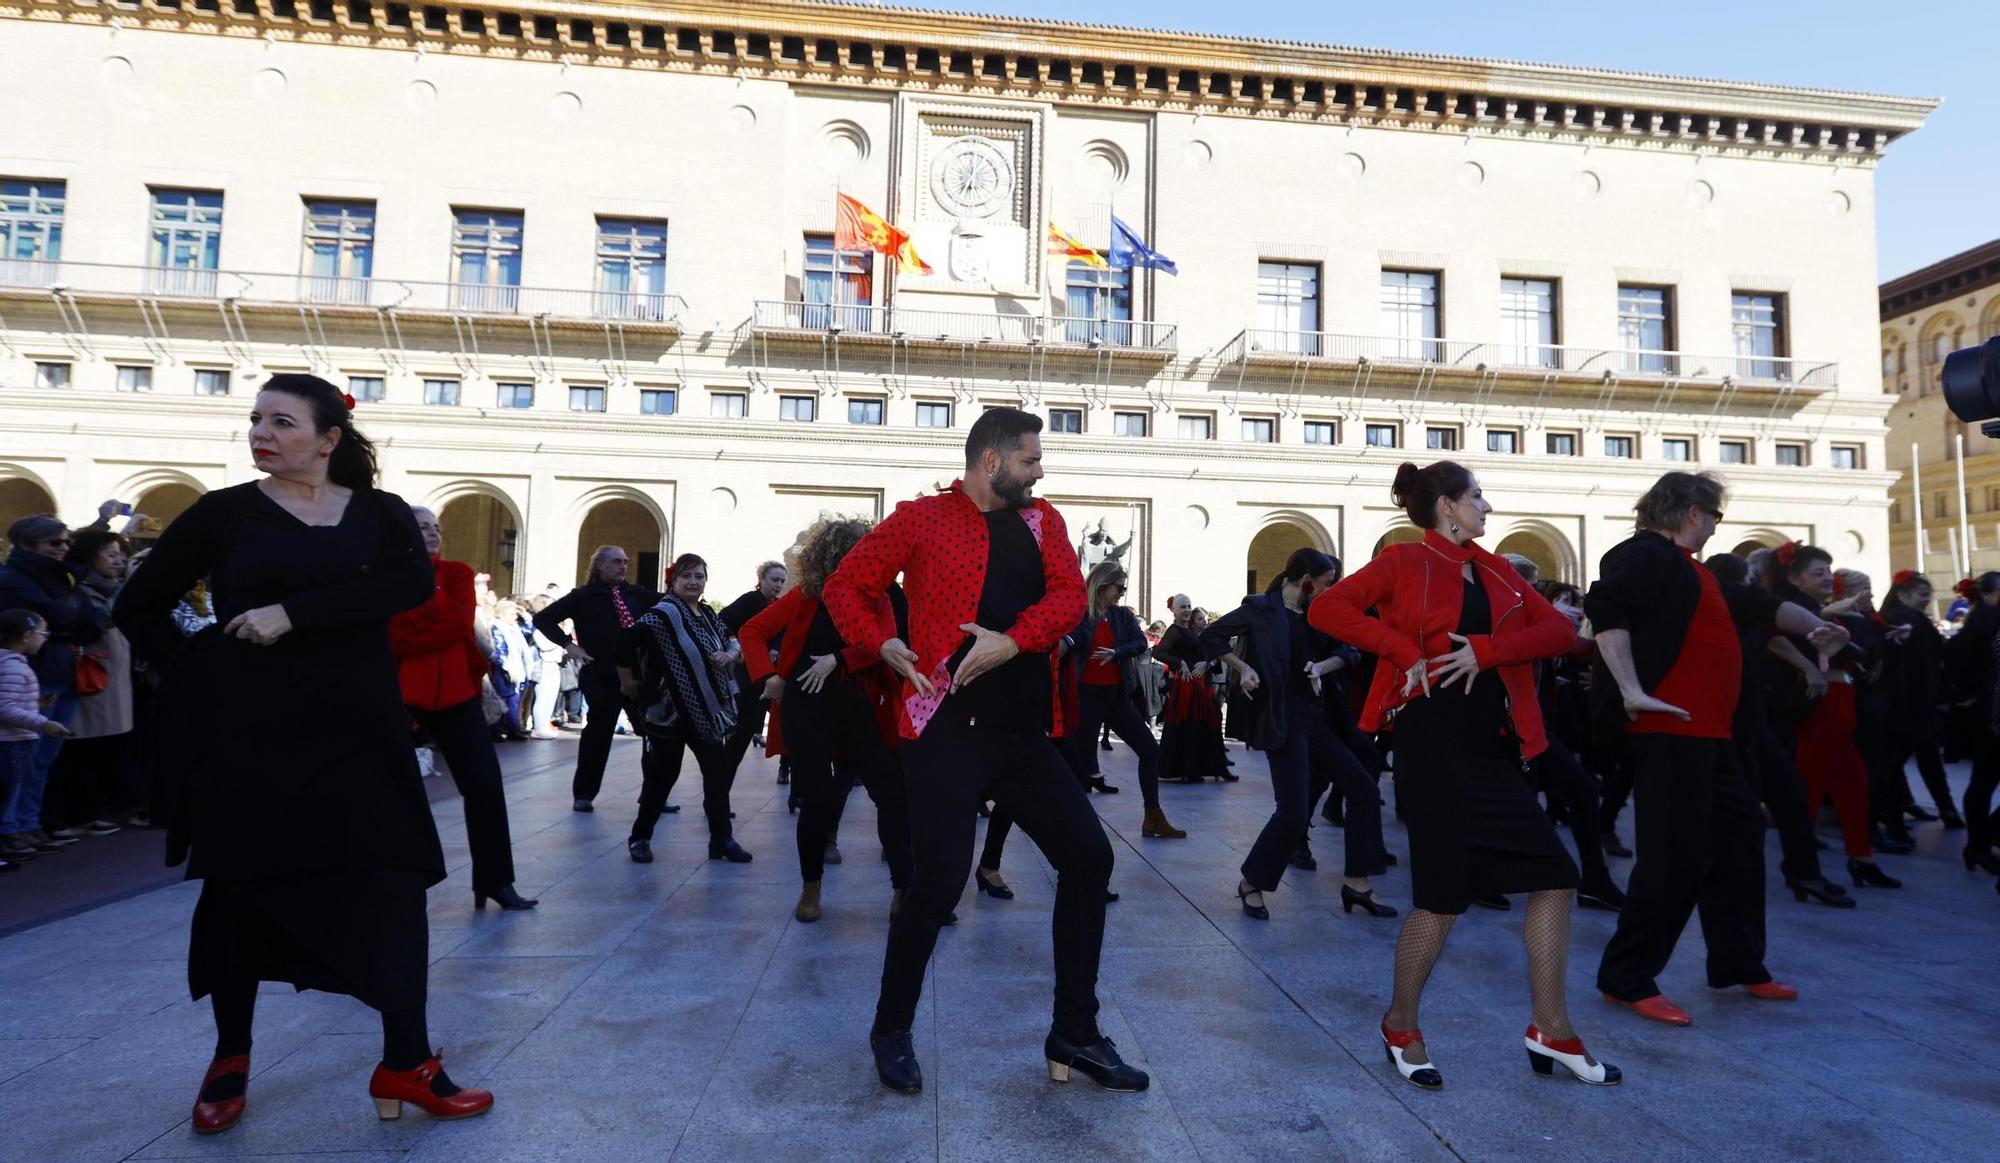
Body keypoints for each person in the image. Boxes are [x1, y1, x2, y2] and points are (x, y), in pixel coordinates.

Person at [112, 373, 491, 1134]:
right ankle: (230, 1055)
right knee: (243, 892)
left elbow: (409, 584)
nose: (261, 432)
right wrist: (203, 673)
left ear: (328, 439)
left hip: (362, 735)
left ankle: (406, 1060)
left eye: (282, 421)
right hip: (250, 741)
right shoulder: (223, 514)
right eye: (255, 419)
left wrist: (294, 613)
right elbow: (137, 606)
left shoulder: (381, 514)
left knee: (391, 884)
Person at [823, 407, 1139, 1096]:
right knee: (938, 883)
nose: (1040, 470)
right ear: (992, 462)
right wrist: (877, 641)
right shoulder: (920, 518)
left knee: (1090, 857)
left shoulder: (1044, 521)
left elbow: (1068, 600)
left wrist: (1012, 638)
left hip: (1022, 735)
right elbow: (847, 584)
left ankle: (1074, 1032)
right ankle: (891, 1025)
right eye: (1030, 459)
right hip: (943, 729)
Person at [1313, 461, 1617, 1089]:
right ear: (1448, 506)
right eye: (1477, 496)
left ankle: (1551, 1029)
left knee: (1556, 877)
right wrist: (1403, 652)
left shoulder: (1497, 569)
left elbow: (1560, 632)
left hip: (1492, 748)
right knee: (1442, 898)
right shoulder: (1403, 562)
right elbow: (1329, 610)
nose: (1488, 505)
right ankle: (1401, 1023)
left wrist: (1488, 650)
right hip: (1431, 744)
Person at [1586, 474, 1843, 1029]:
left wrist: (1819, 627)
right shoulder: (1645, 555)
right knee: (1673, 858)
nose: (1714, 527)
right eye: (1716, 517)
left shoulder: (1698, 574)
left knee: (1737, 846)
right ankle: (1626, 978)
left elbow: (1767, 609)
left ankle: (1736, 962)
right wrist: (1631, 689)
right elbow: (1606, 607)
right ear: (1694, 512)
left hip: (1716, 737)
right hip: (1671, 731)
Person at [739, 519, 912, 922]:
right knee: (815, 800)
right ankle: (811, 888)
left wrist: (839, 658)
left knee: (891, 794)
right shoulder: (805, 596)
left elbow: (889, 640)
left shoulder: (881, 596)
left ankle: (904, 888)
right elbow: (752, 631)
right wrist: (769, 677)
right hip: (808, 706)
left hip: (861, 705)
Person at [1206, 548, 1391, 920]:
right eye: (1325, 583)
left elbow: (1349, 652)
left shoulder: (1321, 614)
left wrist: (1321, 667)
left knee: (1363, 788)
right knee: (1292, 813)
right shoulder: (1262, 608)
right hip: (1281, 719)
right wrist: (1242, 668)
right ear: (1305, 581)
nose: (1329, 590)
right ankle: (1251, 882)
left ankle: (1357, 883)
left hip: (1316, 719)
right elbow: (1211, 638)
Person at [387, 506, 536, 911]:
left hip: (456, 694)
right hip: (401, 696)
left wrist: (414, 631)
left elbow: (449, 626)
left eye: (436, 527)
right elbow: (391, 635)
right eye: (422, 527)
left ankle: (495, 881)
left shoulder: (456, 574)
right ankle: (397, 881)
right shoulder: (388, 574)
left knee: (485, 787)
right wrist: (415, 634)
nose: (433, 533)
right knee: (394, 794)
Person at [1769, 544, 1899, 889]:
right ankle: (1802, 868)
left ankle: (1861, 859)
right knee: (1809, 787)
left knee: (1853, 784)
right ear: (1794, 578)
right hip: (1823, 705)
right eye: (1818, 572)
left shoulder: (1817, 608)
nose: (1828, 577)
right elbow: (1775, 639)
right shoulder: (1793, 608)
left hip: (1841, 701)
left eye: (1828, 570)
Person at [618, 553, 751, 864]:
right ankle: (640, 837)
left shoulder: (707, 615)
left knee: (717, 774)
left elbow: (732, 641)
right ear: (673, 581)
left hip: (705, 710)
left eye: (699, 576)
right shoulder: (661, 615)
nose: (694, 582)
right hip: (669, 713)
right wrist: (628, 683)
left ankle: (722, 839)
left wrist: (730, 656)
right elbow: (624, 643)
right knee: (664, 776)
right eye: (687, 576)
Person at [0, 513, 107, 850]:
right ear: (29, 546)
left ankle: (30, 822)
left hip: (63, 669)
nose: (63, 549)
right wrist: (70, 615)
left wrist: (70, 617)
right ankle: (13, 827)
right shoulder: (13, 578)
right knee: (23, 757)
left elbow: (94, 620)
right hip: (34, 674)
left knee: (45, 756)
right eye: (55, 543)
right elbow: (63, 614)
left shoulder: (65, 578)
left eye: (66, 542)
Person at [534, 545, 659, 811]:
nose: (622, 567)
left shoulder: (637, 594)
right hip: (601, 674)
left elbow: (669, 606)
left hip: (638, 674)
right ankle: (584, 794)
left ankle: (655, 793)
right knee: (598, 735)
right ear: (599, 565)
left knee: (654, 733)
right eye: (616, 562)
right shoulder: (583, 596)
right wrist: (569, 644)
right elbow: (544, 619)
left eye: (625, 562)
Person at [1067, 561, 1182, 837]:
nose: (1122, 592)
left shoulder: (1122, 616)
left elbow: (1141, 643)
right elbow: (1071, 642)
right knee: (1082, 766)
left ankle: (1153, 816)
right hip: (1086, 695)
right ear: (1103, 585)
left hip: (1116, 695)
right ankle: (1076, 831)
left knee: (1150, 750)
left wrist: (1116, 652)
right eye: (1119, 587)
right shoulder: (1080, 613)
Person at [49, 528, 135, 835]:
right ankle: (72, 816)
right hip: (87, 678)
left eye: (121, 555)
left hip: (111, 679)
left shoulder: (110, 587)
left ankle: (88, 812)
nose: (119, 561)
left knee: (100, 751)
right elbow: (95, 624)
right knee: (77, 752)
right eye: (111, 555)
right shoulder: (79, 592)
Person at [1876, 572, 1961, 828]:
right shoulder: (1903, 618)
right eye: (1923, 595)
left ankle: (1909, 808)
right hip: (1910, 702)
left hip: (1914, 701)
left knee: (1913, 759)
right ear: (1903, 595)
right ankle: (1900, 813)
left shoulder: (1901, 617)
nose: (1926, 600)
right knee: (1903, 761)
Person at [0, 611, 70, 871]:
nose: (45, 639)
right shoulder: (12, 667)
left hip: (15, 739)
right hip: (9, 742)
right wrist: (43, 721)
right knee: (6, 793)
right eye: (43, 633)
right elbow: (4, 708)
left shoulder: (14, 664)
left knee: (9, 792)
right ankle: (6, 838)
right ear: (25, 637)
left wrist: (37, 704)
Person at [720, 560, 788, 784]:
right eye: (774, 579)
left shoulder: (777, 605)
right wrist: (738, 647)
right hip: (749, 676)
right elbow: (724, 620)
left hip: (770, 677)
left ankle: (789, 778)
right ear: (761, 579)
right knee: (741, 735)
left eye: (782, 581)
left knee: (788, 723)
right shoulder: (752, 600)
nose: (778, 585)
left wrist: (775, 649)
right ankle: (719, 793)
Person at [1153, 595, 1229, 783]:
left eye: (1189, 606)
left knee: (1206, 724)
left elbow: (1208, 656)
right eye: (1183, 607)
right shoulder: (1175, 631)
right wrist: (1180, 664)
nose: (1187, 609)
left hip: (1200, 685)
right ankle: (1190, 769)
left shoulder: (1192, 631)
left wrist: (1206, 664)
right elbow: (1158, 652)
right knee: (1189, 726)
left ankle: (1207, 767)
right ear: (1174, 610)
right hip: (1187, 687)